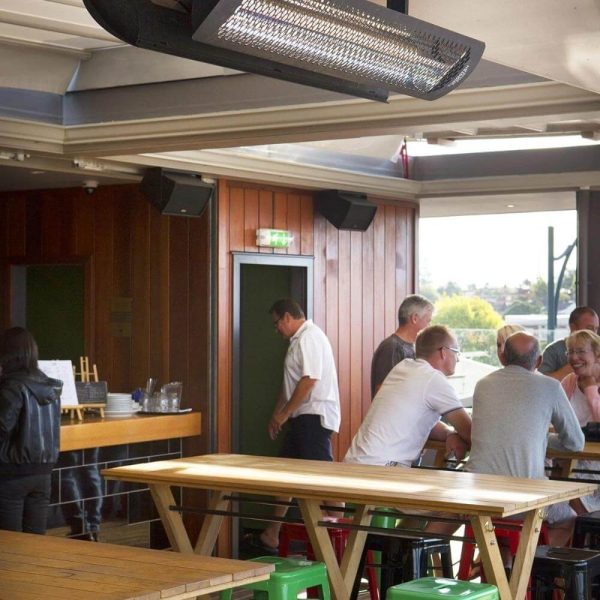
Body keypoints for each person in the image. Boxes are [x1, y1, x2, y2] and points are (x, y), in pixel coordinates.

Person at [467, 332, 584, 548]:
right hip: (524, 499)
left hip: (476, 495)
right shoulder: (550, 386)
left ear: (503, 357)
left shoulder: (483, 384)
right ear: (539, 361)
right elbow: (576, 443)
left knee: (498, 524)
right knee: (569, 518)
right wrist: (543, 438)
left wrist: (540, 438)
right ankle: (527, 569)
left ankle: (507, 567)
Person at [256, 298, 341, 552]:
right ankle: (272, 532)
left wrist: (284, 415)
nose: (276, 330)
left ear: (287, 318)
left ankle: (339, 531)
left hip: (313, 415)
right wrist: (278, 414)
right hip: (301, 416)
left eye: (276, 324)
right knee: (285, 473)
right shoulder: (297, 341)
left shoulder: (310, 338)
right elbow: (290, 384)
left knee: (323, 477)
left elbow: (309, 381)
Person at [345, 325, 471, 468]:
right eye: (456, 352)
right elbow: (470, 432)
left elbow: (418, 421)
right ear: (443, 352)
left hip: (353, 462)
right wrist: (458, 435)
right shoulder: (433, 379)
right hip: (382, 469)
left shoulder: (402, 367)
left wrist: (449, 433)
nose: (458, 359)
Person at [0, 327, 62, 534]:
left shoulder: (12, 386)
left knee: (9, 543)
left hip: (12, 472)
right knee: (35, 541)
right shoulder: (49, 387)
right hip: (43, 472)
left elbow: (2, 426)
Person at [560, 329, 600, 516]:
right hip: (572, 458)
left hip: (595, 463)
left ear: (597, 353)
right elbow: (555, 417)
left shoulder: (588, 384)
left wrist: (591, 391)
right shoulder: (569, 381)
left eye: (581, 351)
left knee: (569, 493)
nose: (574, 358)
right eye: (570, 352)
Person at [370, 294, 434, 398]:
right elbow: (382, 392)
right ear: (414, 318)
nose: (429, 327)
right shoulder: (391, 347)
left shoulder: (414, 348)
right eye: (428, 321)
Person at [540, 306, 599, 380]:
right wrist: (570, 368)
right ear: (573, 328)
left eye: (596, 329)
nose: (594, 333)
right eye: (589, 328)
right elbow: (540, 382)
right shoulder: (553, 351)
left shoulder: (597, 348)